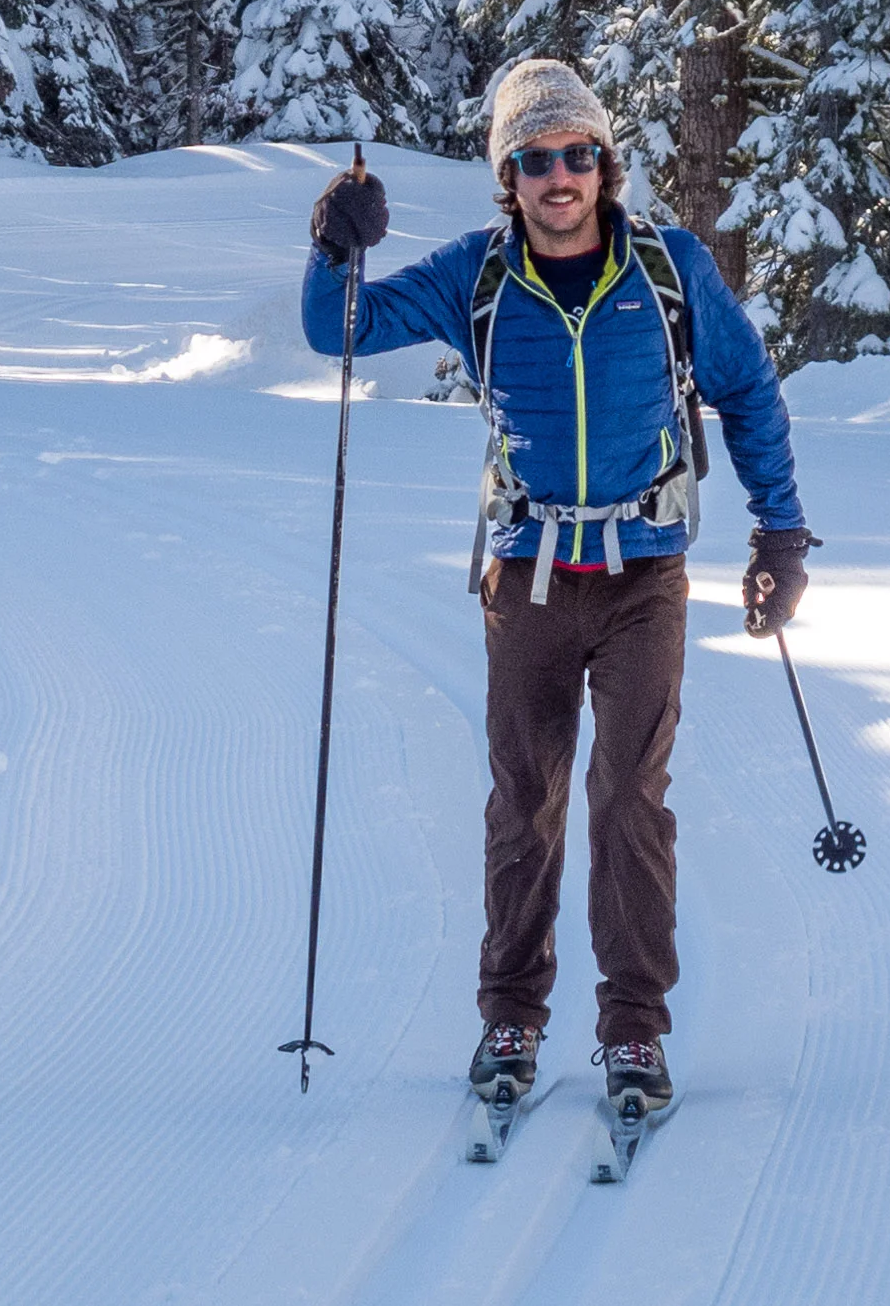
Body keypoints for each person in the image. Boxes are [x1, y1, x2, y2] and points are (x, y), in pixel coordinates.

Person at [302, 59, 816, 1119]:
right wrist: (333, 247)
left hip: (645, 576)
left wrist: (781, 532)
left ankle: (634, 1031)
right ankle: (511, 1017)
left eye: (577, 153)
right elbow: (338, 330)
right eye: (535, 159)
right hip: (527, 578)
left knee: (629, 798)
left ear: (604, 162)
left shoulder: (669, 271)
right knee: (522, 800)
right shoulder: (477, 276)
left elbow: (749, 389)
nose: (560, 176)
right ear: (510, 176)